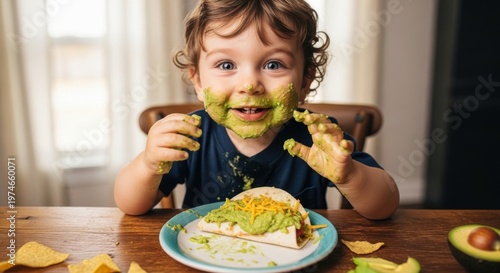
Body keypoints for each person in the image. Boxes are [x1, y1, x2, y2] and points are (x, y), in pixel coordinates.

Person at [114, 0, 399, 219]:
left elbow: (384, 206)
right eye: (227, 65)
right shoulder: (189, 136)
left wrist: (350, 175)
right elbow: (129, 205)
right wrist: (148, 165)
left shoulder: (319, 139)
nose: (249, 84)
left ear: (305, 80)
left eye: (273, 64)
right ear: (198, 82)